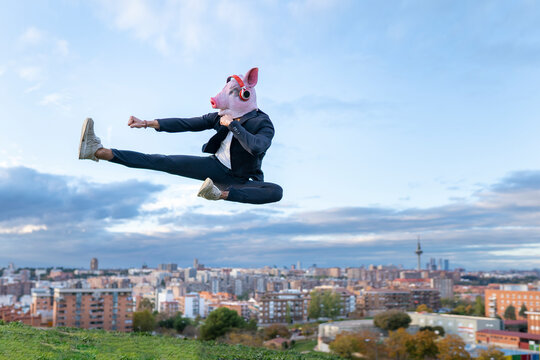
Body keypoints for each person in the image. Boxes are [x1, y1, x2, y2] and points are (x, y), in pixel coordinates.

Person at [78, 68, 282, 205]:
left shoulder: (261, 122)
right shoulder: (220, 117)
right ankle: (97, 151)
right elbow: (188, 123)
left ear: (244, 95)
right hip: (216, 167)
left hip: (241, 181)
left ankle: (219, 194)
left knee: (276, 191)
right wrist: (147, 123)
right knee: (161, 161)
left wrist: (232, 125)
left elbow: (257, 147)